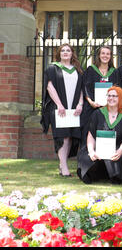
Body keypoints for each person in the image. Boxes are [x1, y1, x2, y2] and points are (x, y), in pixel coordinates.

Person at [40, 43, 84, 177]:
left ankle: (62, 164)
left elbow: (82, 88)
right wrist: (59, 104)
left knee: (70, 136)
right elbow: (49, 87)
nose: (65, 52)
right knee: (62, 136)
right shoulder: (53, 68)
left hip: (74, 108)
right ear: (59, 54)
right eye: (63, 51)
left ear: (72, 54)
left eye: (68, 50)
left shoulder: (78, 70)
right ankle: (64, 168)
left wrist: (80, 104)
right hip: (59, 108)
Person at [76, 86, 122, 184]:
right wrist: (91, 151)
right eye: (109, 96)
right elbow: (91, 134)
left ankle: (110, 174)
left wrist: (120, 151)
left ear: (120, 98)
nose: (111, 98)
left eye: (114, 96)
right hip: (98, 149)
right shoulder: (98, 113)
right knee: (86, 158)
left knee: (116, 170)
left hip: (115, 150)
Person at [81, 45, 119, 145]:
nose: (105, 56)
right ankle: (88, 155)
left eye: (108, 54)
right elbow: (85, 88)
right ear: (98, 55)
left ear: (111, 56)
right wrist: (91, 102)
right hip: (92, 107)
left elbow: (117, 90)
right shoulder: (91, 70)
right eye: (103, 53)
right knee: (90, 130)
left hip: (109, 109)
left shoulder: (114, 72)